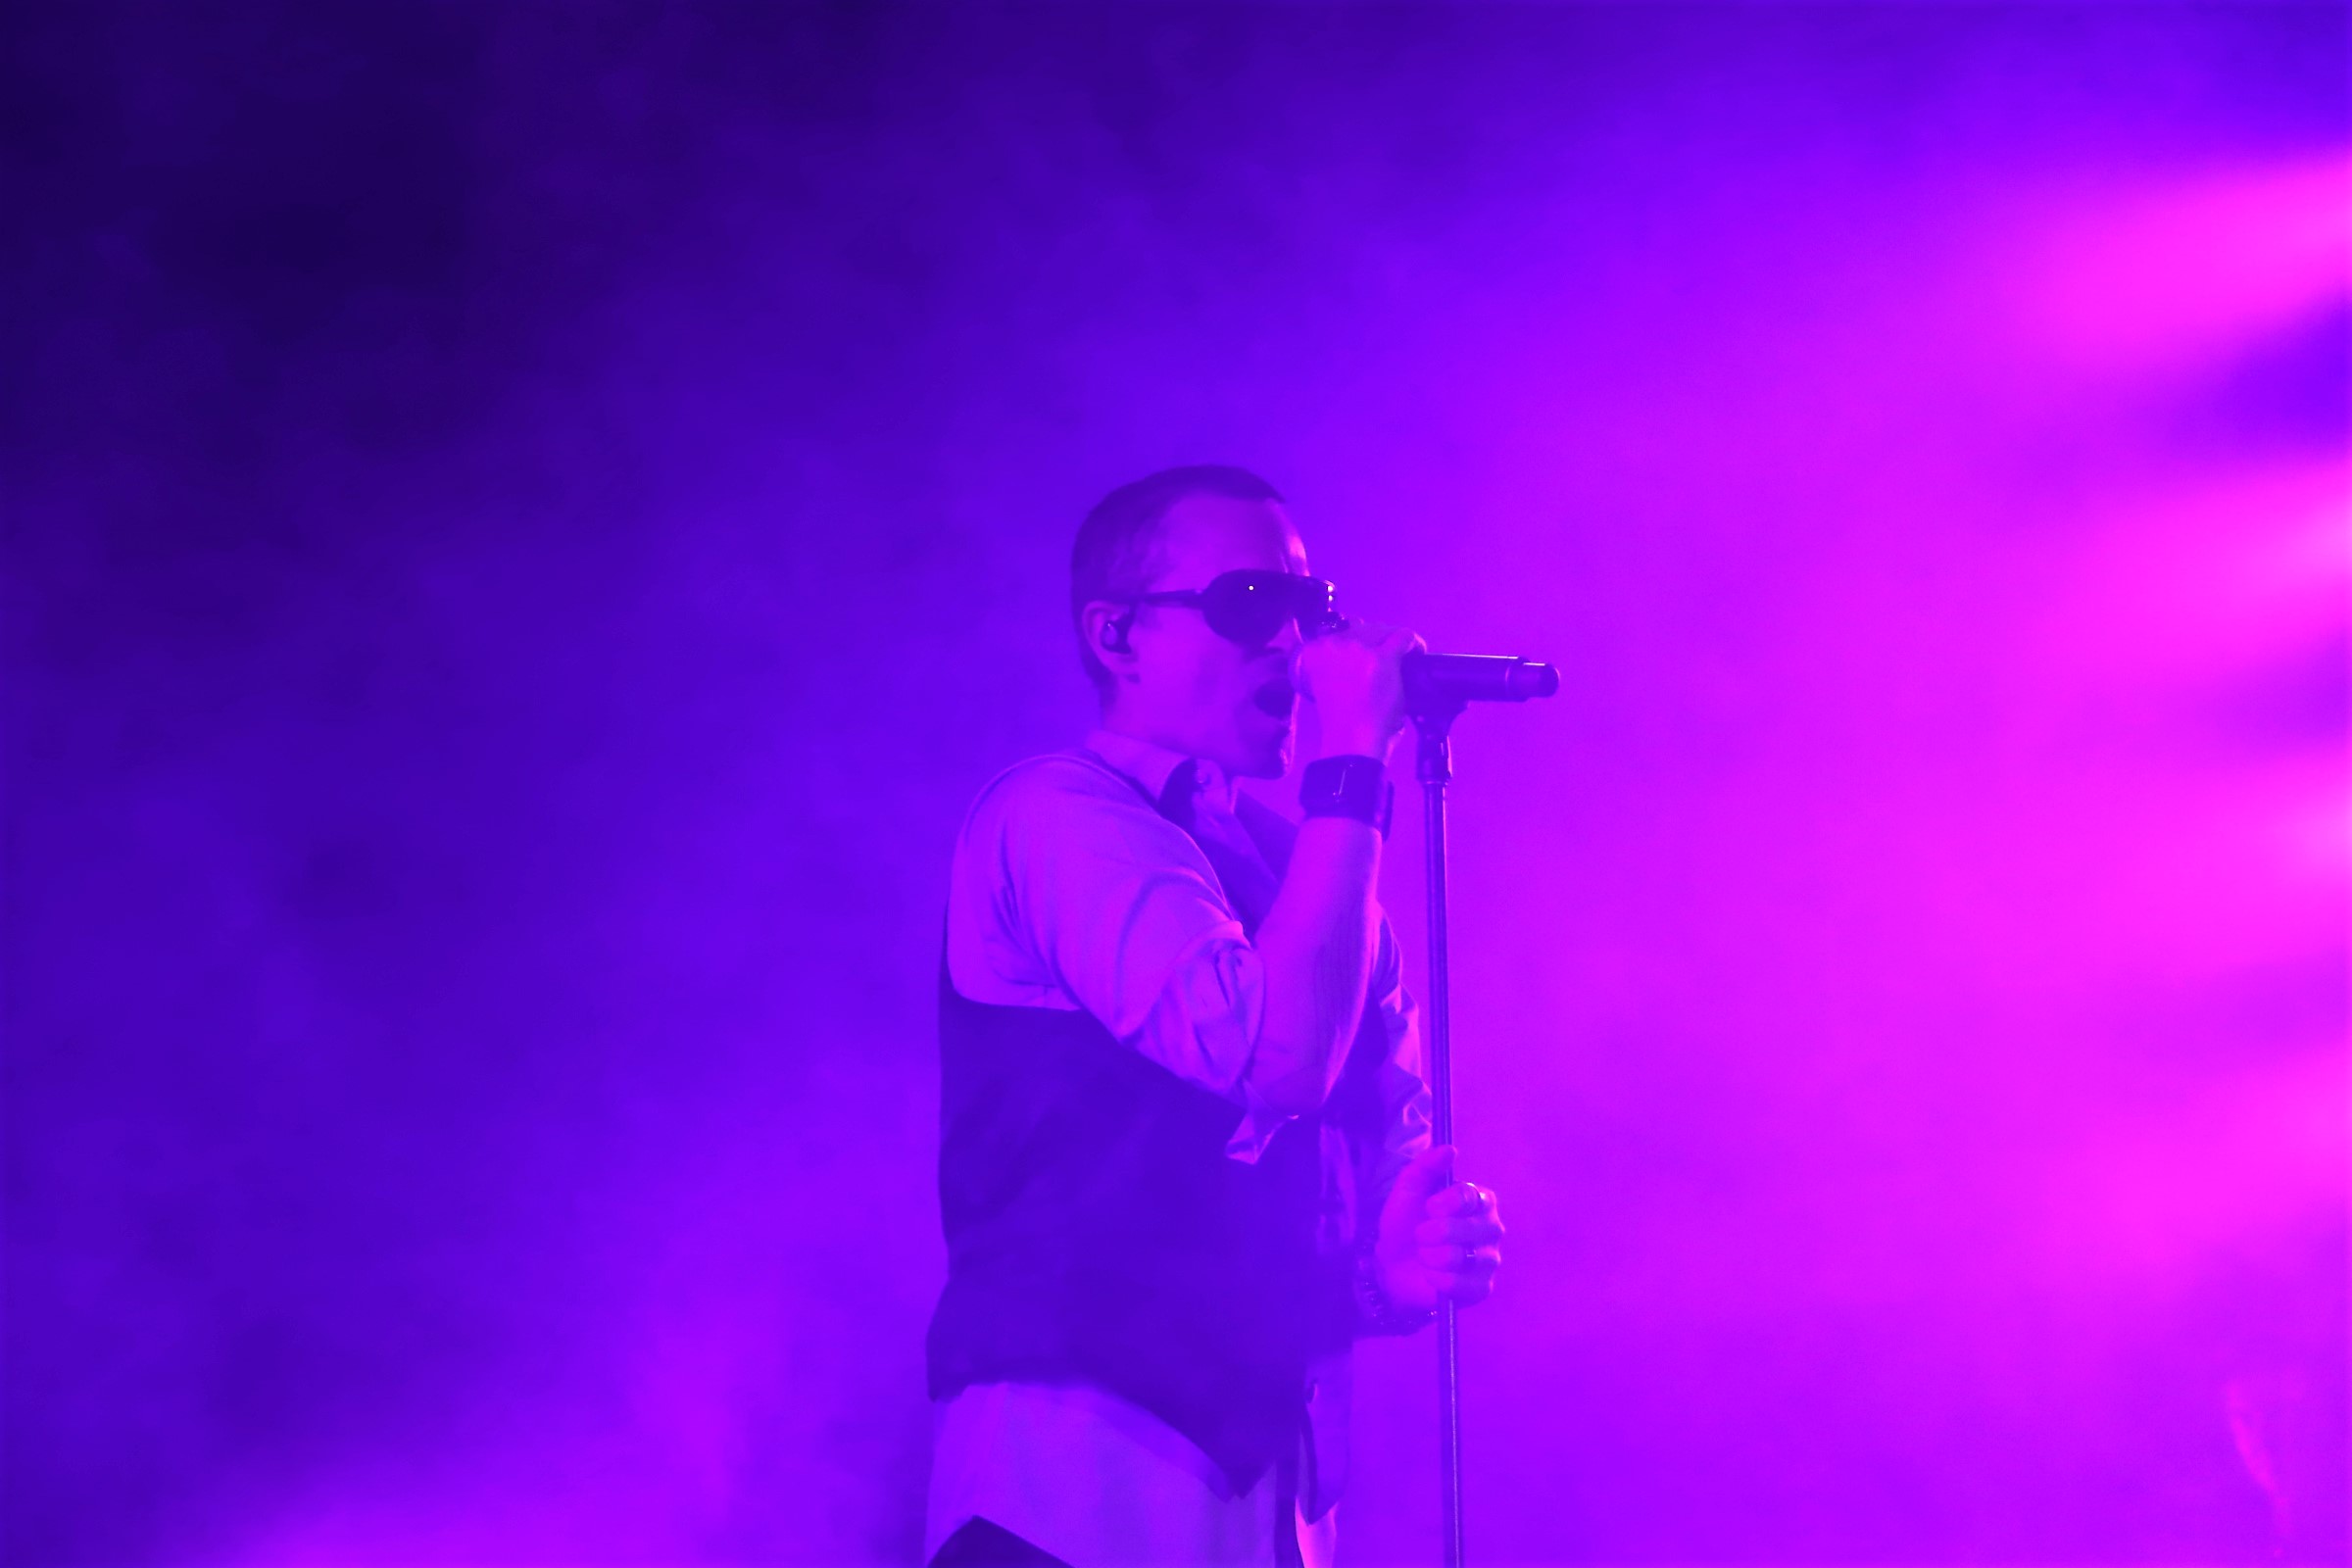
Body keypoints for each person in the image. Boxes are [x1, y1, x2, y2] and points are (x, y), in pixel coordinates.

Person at [925, 466, 1507, 1566]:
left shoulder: (1321, 874)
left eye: (1309, 605)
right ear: (1117, 636)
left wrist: (1389, 1264)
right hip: (1066, 1490)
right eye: (1250, 604)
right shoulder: (1051, 815)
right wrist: (1352, 762)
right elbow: (1273, 1056)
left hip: (1273, 1502)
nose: (1291, 642)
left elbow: (1373, 1146)